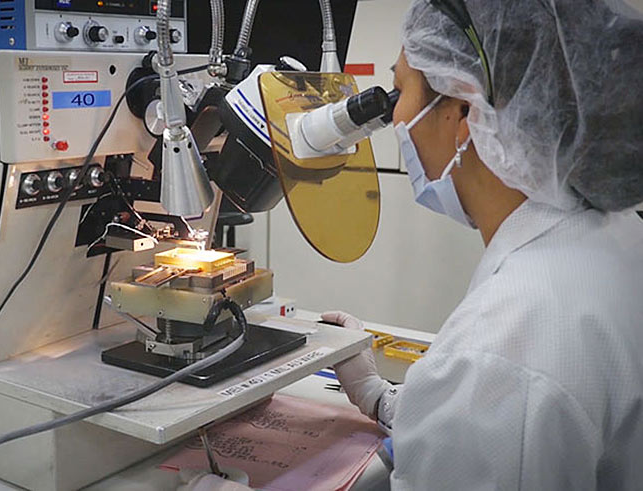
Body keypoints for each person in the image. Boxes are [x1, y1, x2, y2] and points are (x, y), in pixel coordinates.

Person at [183, 0, 643, 488]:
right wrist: (381, 396)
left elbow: (500, 403)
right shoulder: (614, 240)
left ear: (464, 111)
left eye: (399, 91)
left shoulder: (503, 348)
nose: (394, 116)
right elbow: (486, 426)